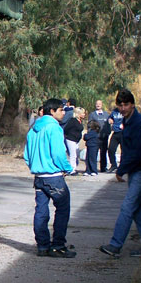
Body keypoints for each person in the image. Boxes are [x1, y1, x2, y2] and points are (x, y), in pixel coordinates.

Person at [99, 89, 141, 259]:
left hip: (140, 171)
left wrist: (121, 170)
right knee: (139, 212)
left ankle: (115, 246)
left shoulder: (138, 123)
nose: (122, 108)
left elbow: (137, 152)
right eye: (120, 105)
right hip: (135, 171)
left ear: (133, 105)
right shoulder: (128, 120)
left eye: (126, 105)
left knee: (127, 208)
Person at [23, 97, 76, 258]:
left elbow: (27, 155)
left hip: (39, 176)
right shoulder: (54, 128)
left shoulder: (33, 128)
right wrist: (67, 168)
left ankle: (43, 245)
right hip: (53, 176)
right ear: (52, 111)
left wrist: (36, 167)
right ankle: (58, 245)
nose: (63, 113)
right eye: (61, 110)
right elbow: (58, 153)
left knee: (41, 211)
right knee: (62, 209)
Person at [88, 100, 110, 170]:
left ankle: (103, 167)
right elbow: (89, 125)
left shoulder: (106, 114)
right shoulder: (92, 114)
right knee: (94, 153)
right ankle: (93, 168)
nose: (98, 105)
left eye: (99, 104)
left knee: (103, 152)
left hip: (104, 137)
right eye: (97, 104)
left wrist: (108, 132)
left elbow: (108, 125)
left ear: (102, 105)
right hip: (95, 137)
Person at [62, 107, 84, 175]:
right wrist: (70, 135)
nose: (84, 114)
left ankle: (73, 168)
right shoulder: (72, 120)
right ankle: (71, 170)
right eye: (83, 113)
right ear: (78, 114)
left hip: (76, 140)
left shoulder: (79, 121)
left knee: (76, 154)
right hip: (71, 139)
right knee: (73, 154)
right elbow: (66, 129)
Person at [106, 105, 124, 172]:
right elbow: (110, 118)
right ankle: (113, 165)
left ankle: (122, 167)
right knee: (111, 149)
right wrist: (110, 120)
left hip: (123, 133)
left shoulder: (125, 111)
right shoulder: (114, 111)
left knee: (124, 151)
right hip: (115, 133)